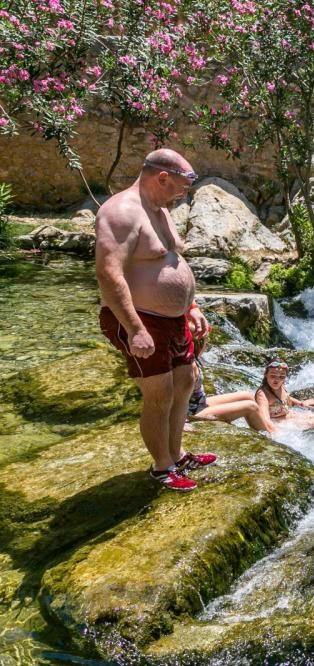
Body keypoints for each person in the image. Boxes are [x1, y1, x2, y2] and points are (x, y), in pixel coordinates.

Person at [95, 148, 216, 492]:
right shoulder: (121, 212)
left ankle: (177, 454)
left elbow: (172, 262)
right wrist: (135, 329)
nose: (184, 194)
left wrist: (190, 306)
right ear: (162, 177)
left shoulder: (160, 211)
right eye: (181, 186)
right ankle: (162, 467)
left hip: (173, 318)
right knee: (159, 393)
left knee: (185, 381)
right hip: (141, 318)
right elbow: (108, 273)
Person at [188, 335, 273, 433]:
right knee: (251, 407)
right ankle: (271, 436)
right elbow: (177, 398)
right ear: (199, 344)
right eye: (206, 343)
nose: (206, 346)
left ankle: (267, 425)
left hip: (198, 403)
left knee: (246, 395)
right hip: (192, 412)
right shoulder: (190, 366)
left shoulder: (193, 359)